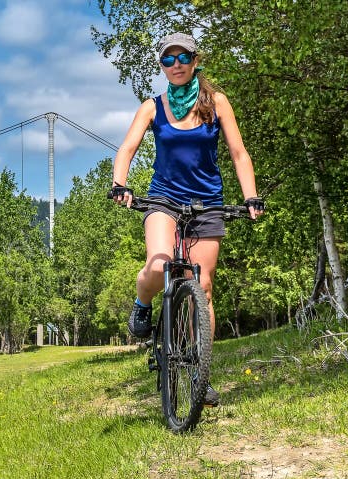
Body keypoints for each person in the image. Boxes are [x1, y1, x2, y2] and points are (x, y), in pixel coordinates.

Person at [110, 32, 264, 406]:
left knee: (203, 284)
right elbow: (127, 148)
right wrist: (120, 184)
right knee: (158, 265)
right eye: (168, 60)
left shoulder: (217, 103)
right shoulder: (153, 107)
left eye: (182, 58)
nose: (175, 65)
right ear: (162, 66)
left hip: (207, 201)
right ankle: (143, 305)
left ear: (195, 61)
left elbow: (239, 153)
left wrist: (250, 197)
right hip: (163, 198)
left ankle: (199, 374)